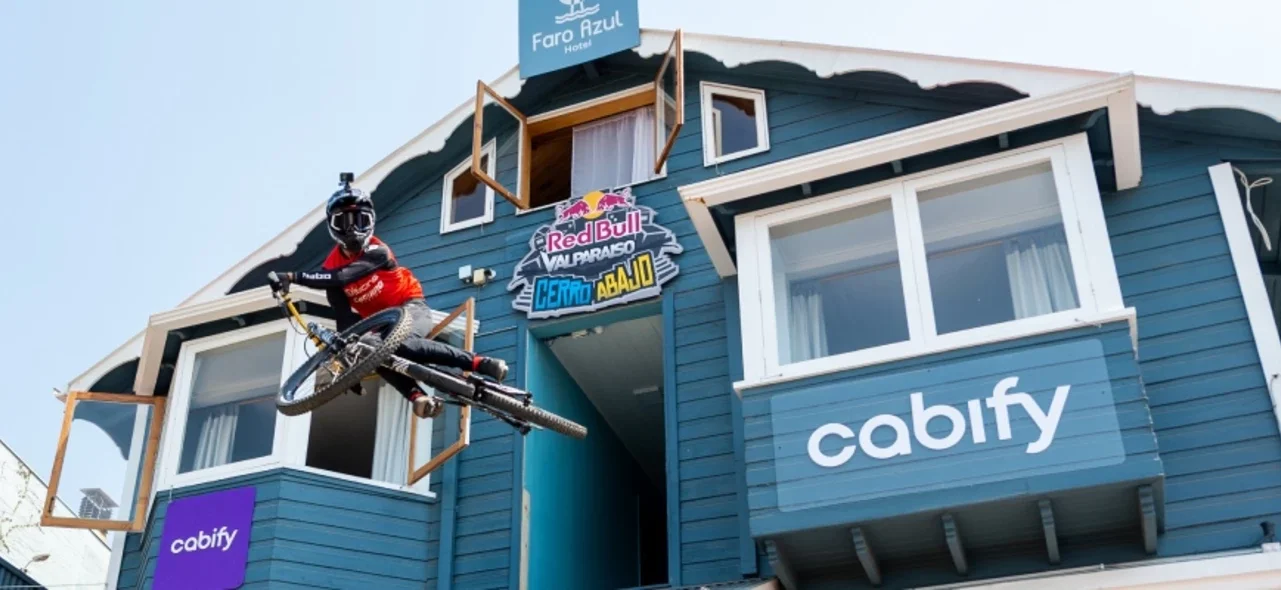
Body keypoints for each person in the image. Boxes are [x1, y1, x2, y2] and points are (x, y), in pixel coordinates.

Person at [268, 172, 507, 419]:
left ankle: (479, 362)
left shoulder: (377, 250)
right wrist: (351, 366)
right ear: (333, 227)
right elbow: (345, 322)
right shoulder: (330, 266)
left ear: (370, 222)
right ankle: (418, 397)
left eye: (359, 220)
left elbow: (342, 277)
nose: (351, 228)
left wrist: (292, 278)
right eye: (343, 221)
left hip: (409, 307)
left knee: (403, 343)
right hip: (381, 326)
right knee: (366, 349)